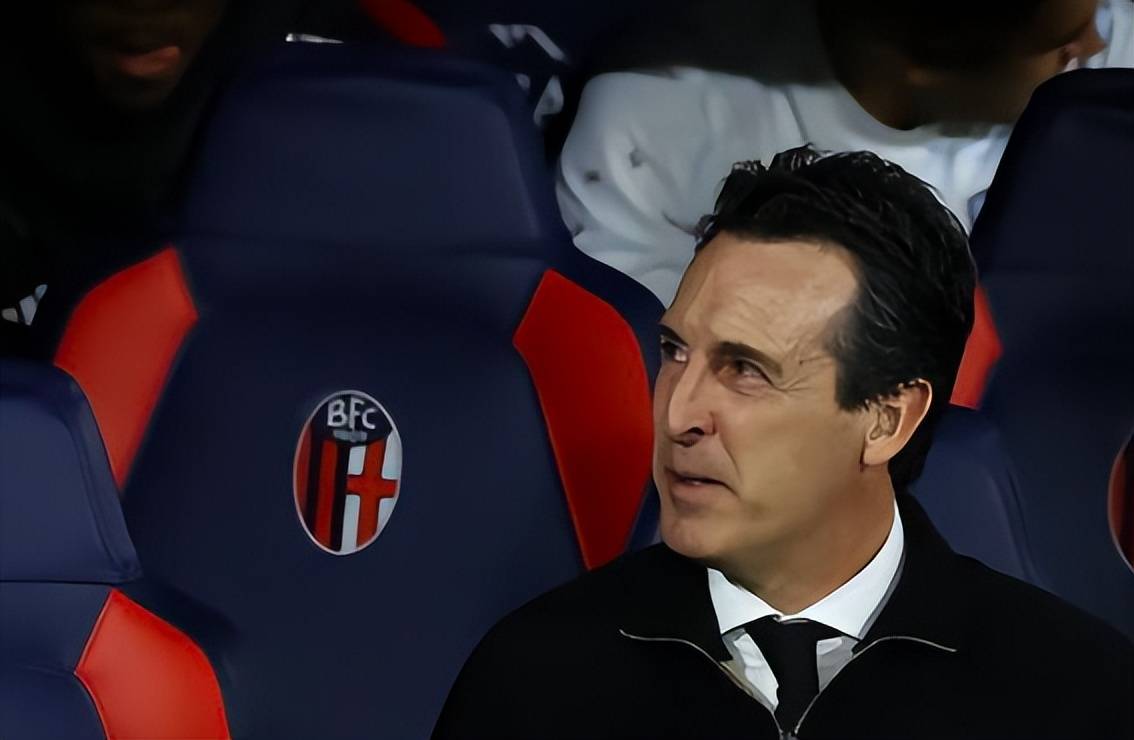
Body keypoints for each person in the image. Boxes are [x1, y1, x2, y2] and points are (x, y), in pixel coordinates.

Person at [433, 147, 1134, 740]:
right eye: (675, 351)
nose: (679, 413)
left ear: (887, 419)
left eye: (745, 370)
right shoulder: (534, 679)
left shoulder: (1075, 697)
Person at [557, 0, 1134, 303]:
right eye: (1062, 45)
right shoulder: (657, 124)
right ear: (924, 64)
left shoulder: (1117, 64)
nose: (1098, 42)